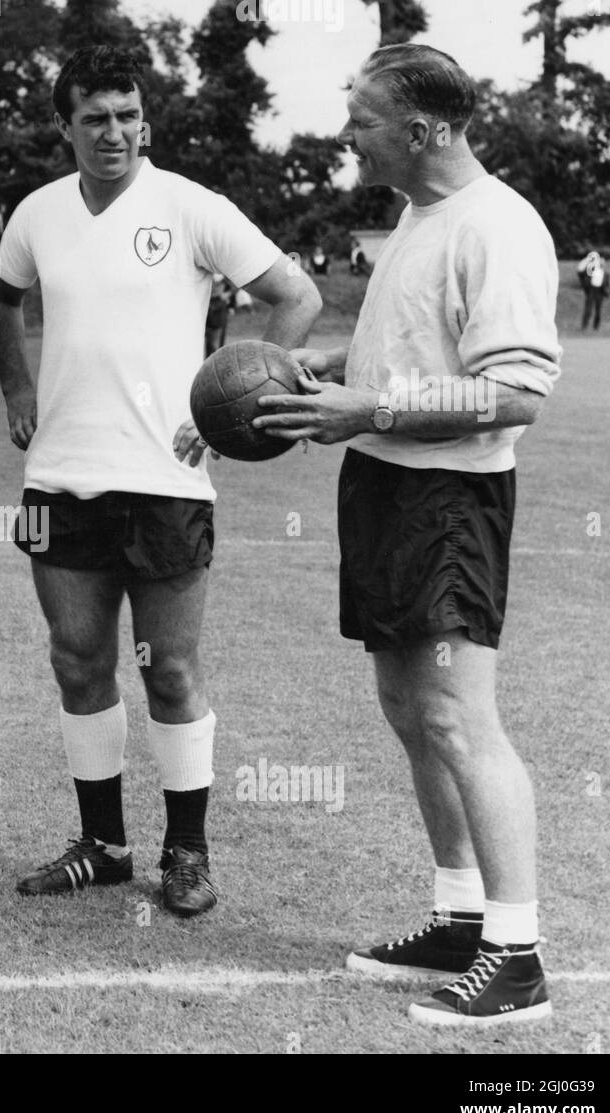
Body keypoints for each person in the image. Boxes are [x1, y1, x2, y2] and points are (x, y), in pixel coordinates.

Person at [254, 44, 560, 1027]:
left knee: (458, 716)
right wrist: (315, 374)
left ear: (419, 129)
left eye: (362, 120)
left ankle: (516, 957)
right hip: (385, 487)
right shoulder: (417, 216)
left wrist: (373, 407)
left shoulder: (497, 226)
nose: (350, 136)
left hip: (449, 504)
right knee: (404, 704)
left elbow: (513, 391)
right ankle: (462, 914)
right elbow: (410, 349)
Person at [0, 45, 320, 917]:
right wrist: (18, 387)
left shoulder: (191, 206)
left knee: (170, 668)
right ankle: (101, 844)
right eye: (94, 118)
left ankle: (186, 852)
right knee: (77, 660)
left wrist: (228, 398)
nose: (115, 132)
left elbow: (296, 295)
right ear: (64, 126)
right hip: (58, 476)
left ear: (147, 121)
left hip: (166, 480)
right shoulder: (37, 214)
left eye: (128, 116)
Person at [203, 274, 233, 356]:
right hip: (206, 305)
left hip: (218, 305)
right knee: (208, 342)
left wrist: (228, 293)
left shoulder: (224, 276)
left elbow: (235, 285)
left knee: (216, 341)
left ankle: (215, 361)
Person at [577, 249, 606, 330]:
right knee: (588, 310)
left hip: (599, 293)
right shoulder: (589, 272)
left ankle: (596, 327)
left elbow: (605, 284)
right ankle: (584, 326)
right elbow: (580, 270)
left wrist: (605, 292)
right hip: (591, 292)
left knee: (598, 311)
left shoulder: (604, 273)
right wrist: (587, 260)